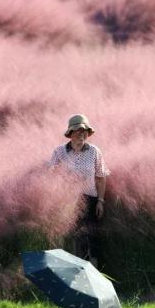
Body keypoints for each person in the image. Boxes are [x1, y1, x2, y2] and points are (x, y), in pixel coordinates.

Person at [49, 114, 110, 267]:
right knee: (76, 237)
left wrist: (100, 201)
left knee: (92, 237)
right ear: (70, 133)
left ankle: (95, 271)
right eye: (78, 130)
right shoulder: (59, 152)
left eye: (85, 131)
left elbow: (101, 178)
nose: (82, 133)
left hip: (90, 199)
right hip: (69, 201)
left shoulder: (94, 151)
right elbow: (52, 176)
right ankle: (77, 271)